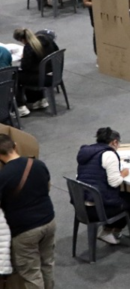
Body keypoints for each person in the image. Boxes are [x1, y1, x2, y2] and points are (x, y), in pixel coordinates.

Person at [0, 133, 55, 289]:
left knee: (31, 272)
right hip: (48, 220)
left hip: (24, 230)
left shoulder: (3, 177)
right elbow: (47, 187)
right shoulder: (38, 164)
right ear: (15, 146)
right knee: (47, 263)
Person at [75, 127, 130, 246]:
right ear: (114, 142)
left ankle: (108, 230)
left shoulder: (86, 152)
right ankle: (109, 231)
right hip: (97, 208)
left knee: (127, 195)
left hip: (81, 204)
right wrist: (123, 174)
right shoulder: (109, 155)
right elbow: (114, 183)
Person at [13, 29, 57, 116]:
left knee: (15, 76)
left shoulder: (29, 47)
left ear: (22, 39)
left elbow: (25, 67)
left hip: (44, 78)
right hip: (55, 74)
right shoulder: (47, 40)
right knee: (29, 74)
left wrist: (23, 58)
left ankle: (20, 107)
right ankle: (38, 100)